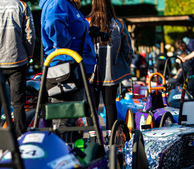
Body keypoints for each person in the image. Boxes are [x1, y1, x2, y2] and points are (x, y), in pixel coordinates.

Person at [0, 0, 36, 136]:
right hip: (18, 60)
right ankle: (19, 137)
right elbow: (30, 35)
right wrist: (28, 56)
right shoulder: (22, 5)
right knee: (18, 103)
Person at [40, 0, 96, 135]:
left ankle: (67, 151)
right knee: (64, 120)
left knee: (70, 119)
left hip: (73, 66)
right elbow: (53, 25)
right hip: (66, 68)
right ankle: (61, 152)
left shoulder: (67, 4)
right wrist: (65, 42)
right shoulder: (59, 2)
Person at [86, 0, 132, 132]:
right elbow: (128, 50)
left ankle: (92, 134)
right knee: (110, 104)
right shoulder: (119, 25)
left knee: (91, 105)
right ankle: (112, 136)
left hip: (90, 72)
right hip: (111, 72)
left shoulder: (86, 23)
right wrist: (122, 64)